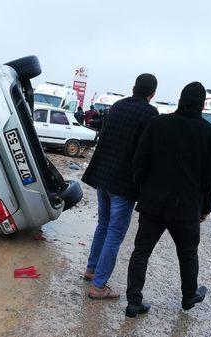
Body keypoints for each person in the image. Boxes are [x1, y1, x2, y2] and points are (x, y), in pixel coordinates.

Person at [125, 81, 211, 317]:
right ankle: (189, 297)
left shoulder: (157, 124)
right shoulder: (210, 134)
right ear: (203, 105)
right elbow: (210, 179)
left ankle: (133, 301)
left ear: (179, 100)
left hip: (153, 203)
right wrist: (205, 209)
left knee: (141, 252)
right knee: (188, 254)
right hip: (187, 208)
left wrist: (144, 190)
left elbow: (139, 161)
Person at [81, 73, 159, 300]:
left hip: (102, 178)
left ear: (133, 87)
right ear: (152, 94)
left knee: (103, 226)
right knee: (115, 233)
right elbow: (145, 153)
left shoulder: (116, 106)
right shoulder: (150, 114)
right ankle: (98, 286)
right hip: (124, 185)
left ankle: (91, 269)